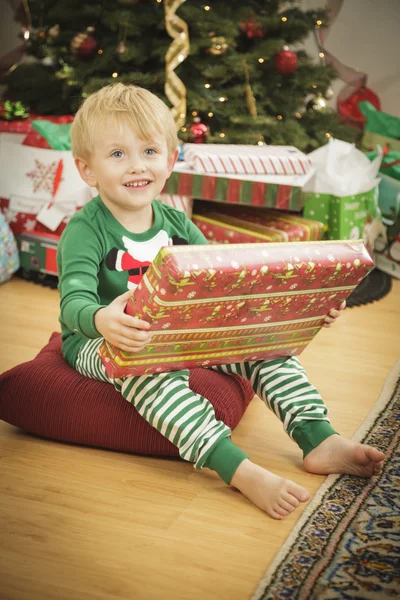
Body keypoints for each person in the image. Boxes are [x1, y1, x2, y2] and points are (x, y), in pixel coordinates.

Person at [58, 83, 385, 520]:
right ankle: (237, 468)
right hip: (103, 342)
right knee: (151, 374)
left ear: (171, 159)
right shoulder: (85, 229)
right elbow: (71, 303)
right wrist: (100, 320)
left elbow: (225, 279)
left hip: (178, 331)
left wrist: (302, 309)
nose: (137, 166)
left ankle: (318, 437)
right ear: (87, 169)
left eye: (150, 152)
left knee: (268, 350)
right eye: (118, 154)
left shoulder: (176, 222)